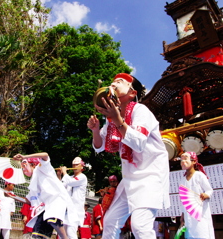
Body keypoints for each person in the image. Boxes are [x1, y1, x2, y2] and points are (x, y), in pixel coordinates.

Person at [87, 73, 170, 239]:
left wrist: (117, 119)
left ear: (132, 93)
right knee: (110, 222)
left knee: (140, 226)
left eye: (120, 82)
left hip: (150, 175)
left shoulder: (140, 110)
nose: (113, 83)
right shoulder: (112, 120)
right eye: (112, 82)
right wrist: (95, 130)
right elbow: (99, 147)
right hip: (129, 178)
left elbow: (138, 143)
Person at [13, 152, 79, 239]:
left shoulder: (43, 168)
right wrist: (12, 196)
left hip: (57, 200)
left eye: (25, 165)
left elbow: (45, 154)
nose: (23, 169)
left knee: (52, 220)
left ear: (33, 165)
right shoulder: (33, 182)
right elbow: (29, 200)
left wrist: (25, 156)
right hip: (45, 208)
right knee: (38, 234)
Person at [179, 151, 215, 239]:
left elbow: (209, 190)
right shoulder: (182, 180)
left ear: (194, 161)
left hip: (201, 213)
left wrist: (206, 195)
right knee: (190, 235)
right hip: (188, 215)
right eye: (181, 160)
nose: (183, 162)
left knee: (202, 233)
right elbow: (184, 200)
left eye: (186, 159)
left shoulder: (199, 175)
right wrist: (182, 215)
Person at [57, 157, 88, 239]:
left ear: (81, 166)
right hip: (66, 209)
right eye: (73, 165)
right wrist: (59, 175)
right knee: (62, 233)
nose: (74, 166)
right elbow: (60, 187)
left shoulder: (83, 177)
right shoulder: (69, 177)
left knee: (71, 233)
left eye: (77, 165)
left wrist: (64, 173)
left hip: (76, 210)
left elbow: (71, 183)